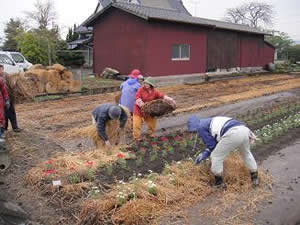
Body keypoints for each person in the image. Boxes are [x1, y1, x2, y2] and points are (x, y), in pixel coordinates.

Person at [187, 115, 259, 187]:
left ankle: (219, 183)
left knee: (216, 156)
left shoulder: (200, 127)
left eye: (193, 131)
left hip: (233, 132)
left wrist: (205, 154)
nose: (195, 133)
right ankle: (255, 178)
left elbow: (212, 146)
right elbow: (216, 142)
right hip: (245, 130)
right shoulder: (209, 121)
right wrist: (206, 152)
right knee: (246, 153)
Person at [0, 65, 21, 133]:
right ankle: (4, 128)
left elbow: (12, 86)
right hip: (1, 99)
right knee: (3, 114)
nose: (0, 70)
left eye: (1, 69)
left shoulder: (7, 75)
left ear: (3, 69)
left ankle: (15, 127)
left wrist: (9, 98)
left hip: (8, 97)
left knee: (11, 112)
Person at [0, 66, 10, 141]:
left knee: (1, 117)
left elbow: (4, 91)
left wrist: (6, 100)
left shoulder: (1, 80)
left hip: (0, 101)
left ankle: (2, 132)